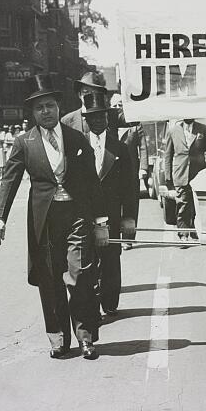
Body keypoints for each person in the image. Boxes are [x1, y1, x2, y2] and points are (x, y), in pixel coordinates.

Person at [0, 74, 110, 360]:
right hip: (44, 220)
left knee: (79, 275)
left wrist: (101, 222)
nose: (46, 112)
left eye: (50, 106)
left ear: (58, 107)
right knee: (51, 278)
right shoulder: (24, 143)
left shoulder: (76, 138)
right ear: (32, 112)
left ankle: (86, 337)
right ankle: (57, 338)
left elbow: (92, 183)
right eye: (39, 107)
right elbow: (9, 180)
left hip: (77, 216)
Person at [68, 87, 137, 317]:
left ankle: (109, 303)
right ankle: (91, 307)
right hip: (84, 215)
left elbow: (130, 186)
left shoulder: (120, 148)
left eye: (102, 116)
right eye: (92, 117)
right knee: (87, 262)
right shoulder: (78, 146)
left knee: (110, 260)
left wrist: (129, 217)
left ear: (108, 118)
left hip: (112, 215)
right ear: (85, 120)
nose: (98, 121)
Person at [107, 93, 148, 251]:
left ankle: (128, 238)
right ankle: (116, 235)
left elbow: (143, 147)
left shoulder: (134, 124)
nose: (117, 108)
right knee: (115, 205)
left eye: (120, 105)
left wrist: (143, 168)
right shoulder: (108, 124)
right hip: (112, 172)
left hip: (130, 170)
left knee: (131, 204)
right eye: (114, 105)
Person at [164, 118, 206, 241]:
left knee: (198, 203)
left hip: (199, 173)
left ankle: (195, 230)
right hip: (180, 173)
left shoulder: (204, 129)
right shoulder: (173, 131)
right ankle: (183, 234)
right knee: (183, 204)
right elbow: (168, 156)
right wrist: (168, 177)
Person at [61, 71, 104, 138]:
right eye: (86, 92)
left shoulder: (110, 117)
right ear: (79, 95)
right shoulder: (66, 121)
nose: (89, 96)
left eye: (94, 92)